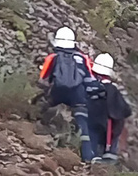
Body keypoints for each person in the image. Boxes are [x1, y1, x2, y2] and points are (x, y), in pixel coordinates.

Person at [38, 27, 99, 163]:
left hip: (57, 93)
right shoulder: (83, 58)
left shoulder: (52, 58)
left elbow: (43, 79)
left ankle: (41, 132)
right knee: (83, 124)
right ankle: (88, 157)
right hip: (78, 95)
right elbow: (90, 79)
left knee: (42, 110)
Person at [84, 53, 133, 164]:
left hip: (91, 132)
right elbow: (125, 111)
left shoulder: (89, 87)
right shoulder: (113, 91)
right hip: (108, 136)